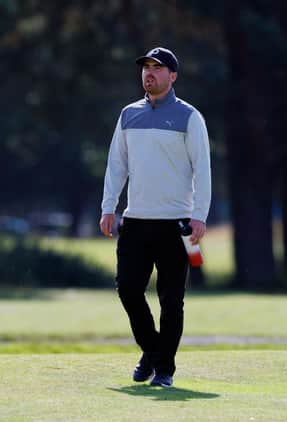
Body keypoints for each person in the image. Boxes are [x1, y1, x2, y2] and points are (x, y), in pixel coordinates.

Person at [99, 47, 211, 387]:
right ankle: (153, 350)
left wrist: (199, 215)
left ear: (172, 76)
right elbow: (116, 165)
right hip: (135, 221)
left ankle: (164, 370)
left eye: (158, 68)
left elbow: (202, 170)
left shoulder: (189, 117)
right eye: (146, 67)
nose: (150, 73)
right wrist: (108, 207)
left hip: (176, 222)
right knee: (128, 290)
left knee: (171, 300)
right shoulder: (128, 114)